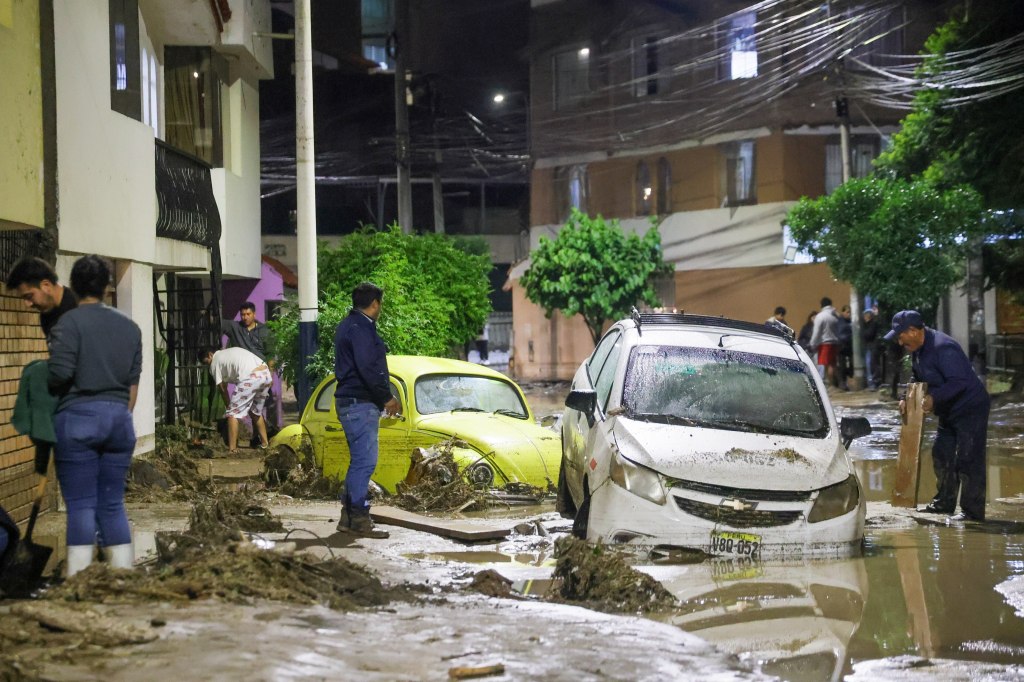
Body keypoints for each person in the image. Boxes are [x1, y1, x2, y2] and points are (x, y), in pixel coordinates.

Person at [47, 255, 142, 577]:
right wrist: (115, 416)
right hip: (119, 422)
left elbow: (59, 374)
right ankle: (122, 575)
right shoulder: (130, 327)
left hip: (77, 424)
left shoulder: (68, 324)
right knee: (112, 504)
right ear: (107, 287)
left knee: (81, 505)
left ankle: (80, 579)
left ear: (73, 285)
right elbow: (132, 388)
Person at [886, 310, 990, 522]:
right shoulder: (918, 350)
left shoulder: (943, 347)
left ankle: (972, 512)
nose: (899, 342)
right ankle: (944, 503)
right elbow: (917, 375)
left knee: (969, 459)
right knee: (942, 454)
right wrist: (906, 397)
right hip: (949, 410)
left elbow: (959, 382)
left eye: (900, 336)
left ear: (913, 331)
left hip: (970, 408)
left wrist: (934, 398)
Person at [333, 282, 400, 539]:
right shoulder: (360, 328)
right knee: (365, 462)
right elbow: (367, 367)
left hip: (352, 402)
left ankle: (349, 518)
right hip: (359, 403)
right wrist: (386, 397)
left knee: (359, 462)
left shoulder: (349, 325)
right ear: (375, 304)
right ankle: (358, 519)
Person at [221, 301, 276, 445]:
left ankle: (259, 439)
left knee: (259, 409)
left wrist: (270, 374)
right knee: (249, 410)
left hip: (261, 374)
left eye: (248, 314)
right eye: (243, 314)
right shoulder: (235, 328)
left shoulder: (265, 331)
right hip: (245, 377)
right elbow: (218, 323)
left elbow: (270, 355)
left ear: (254, 314)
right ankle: (256, 440)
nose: (245, 317)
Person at [198, 346, 272, 453]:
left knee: (233, 414)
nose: (208, 365)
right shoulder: (227, 354)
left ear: (210, 355)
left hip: (250, 377)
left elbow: (222, 388)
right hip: (265, 374)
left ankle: (232, 449)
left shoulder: (215, 362)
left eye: (206, 362)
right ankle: (265, 444)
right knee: (255, 412)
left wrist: (228, 406)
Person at [5, 256, 79, 340]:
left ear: (46, 285)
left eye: (29, 296)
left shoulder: (81, 308)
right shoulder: (46, 317)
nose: (28, 304)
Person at [809, 297, 840, 386]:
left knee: (825, 365)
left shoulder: (821, 316)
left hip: (824, 343)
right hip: (835, 343)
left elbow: (817, 332)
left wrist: (812, 343)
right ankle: (835, 383)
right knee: (833, 364)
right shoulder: (835, 315)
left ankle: (830, 384)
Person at [836, 305, 853, 391]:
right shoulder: (841, 322)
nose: (849, 314)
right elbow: (841, 335)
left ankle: (847, 382)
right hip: (842, 346)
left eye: (850, 312)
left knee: (851, 365)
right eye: (847, 312)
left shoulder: (851, 321)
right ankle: (842, 383)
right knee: (842, 366)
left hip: (850, 347)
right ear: (843, 312)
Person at [862, 308, 880, 389]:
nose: (865, 317)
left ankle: (875, 382)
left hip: (874, 346)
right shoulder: (869, 324)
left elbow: (868, 334)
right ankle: (873, 382)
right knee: (871, 364)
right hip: (871, 346)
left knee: (873, 364)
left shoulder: (872, 324)